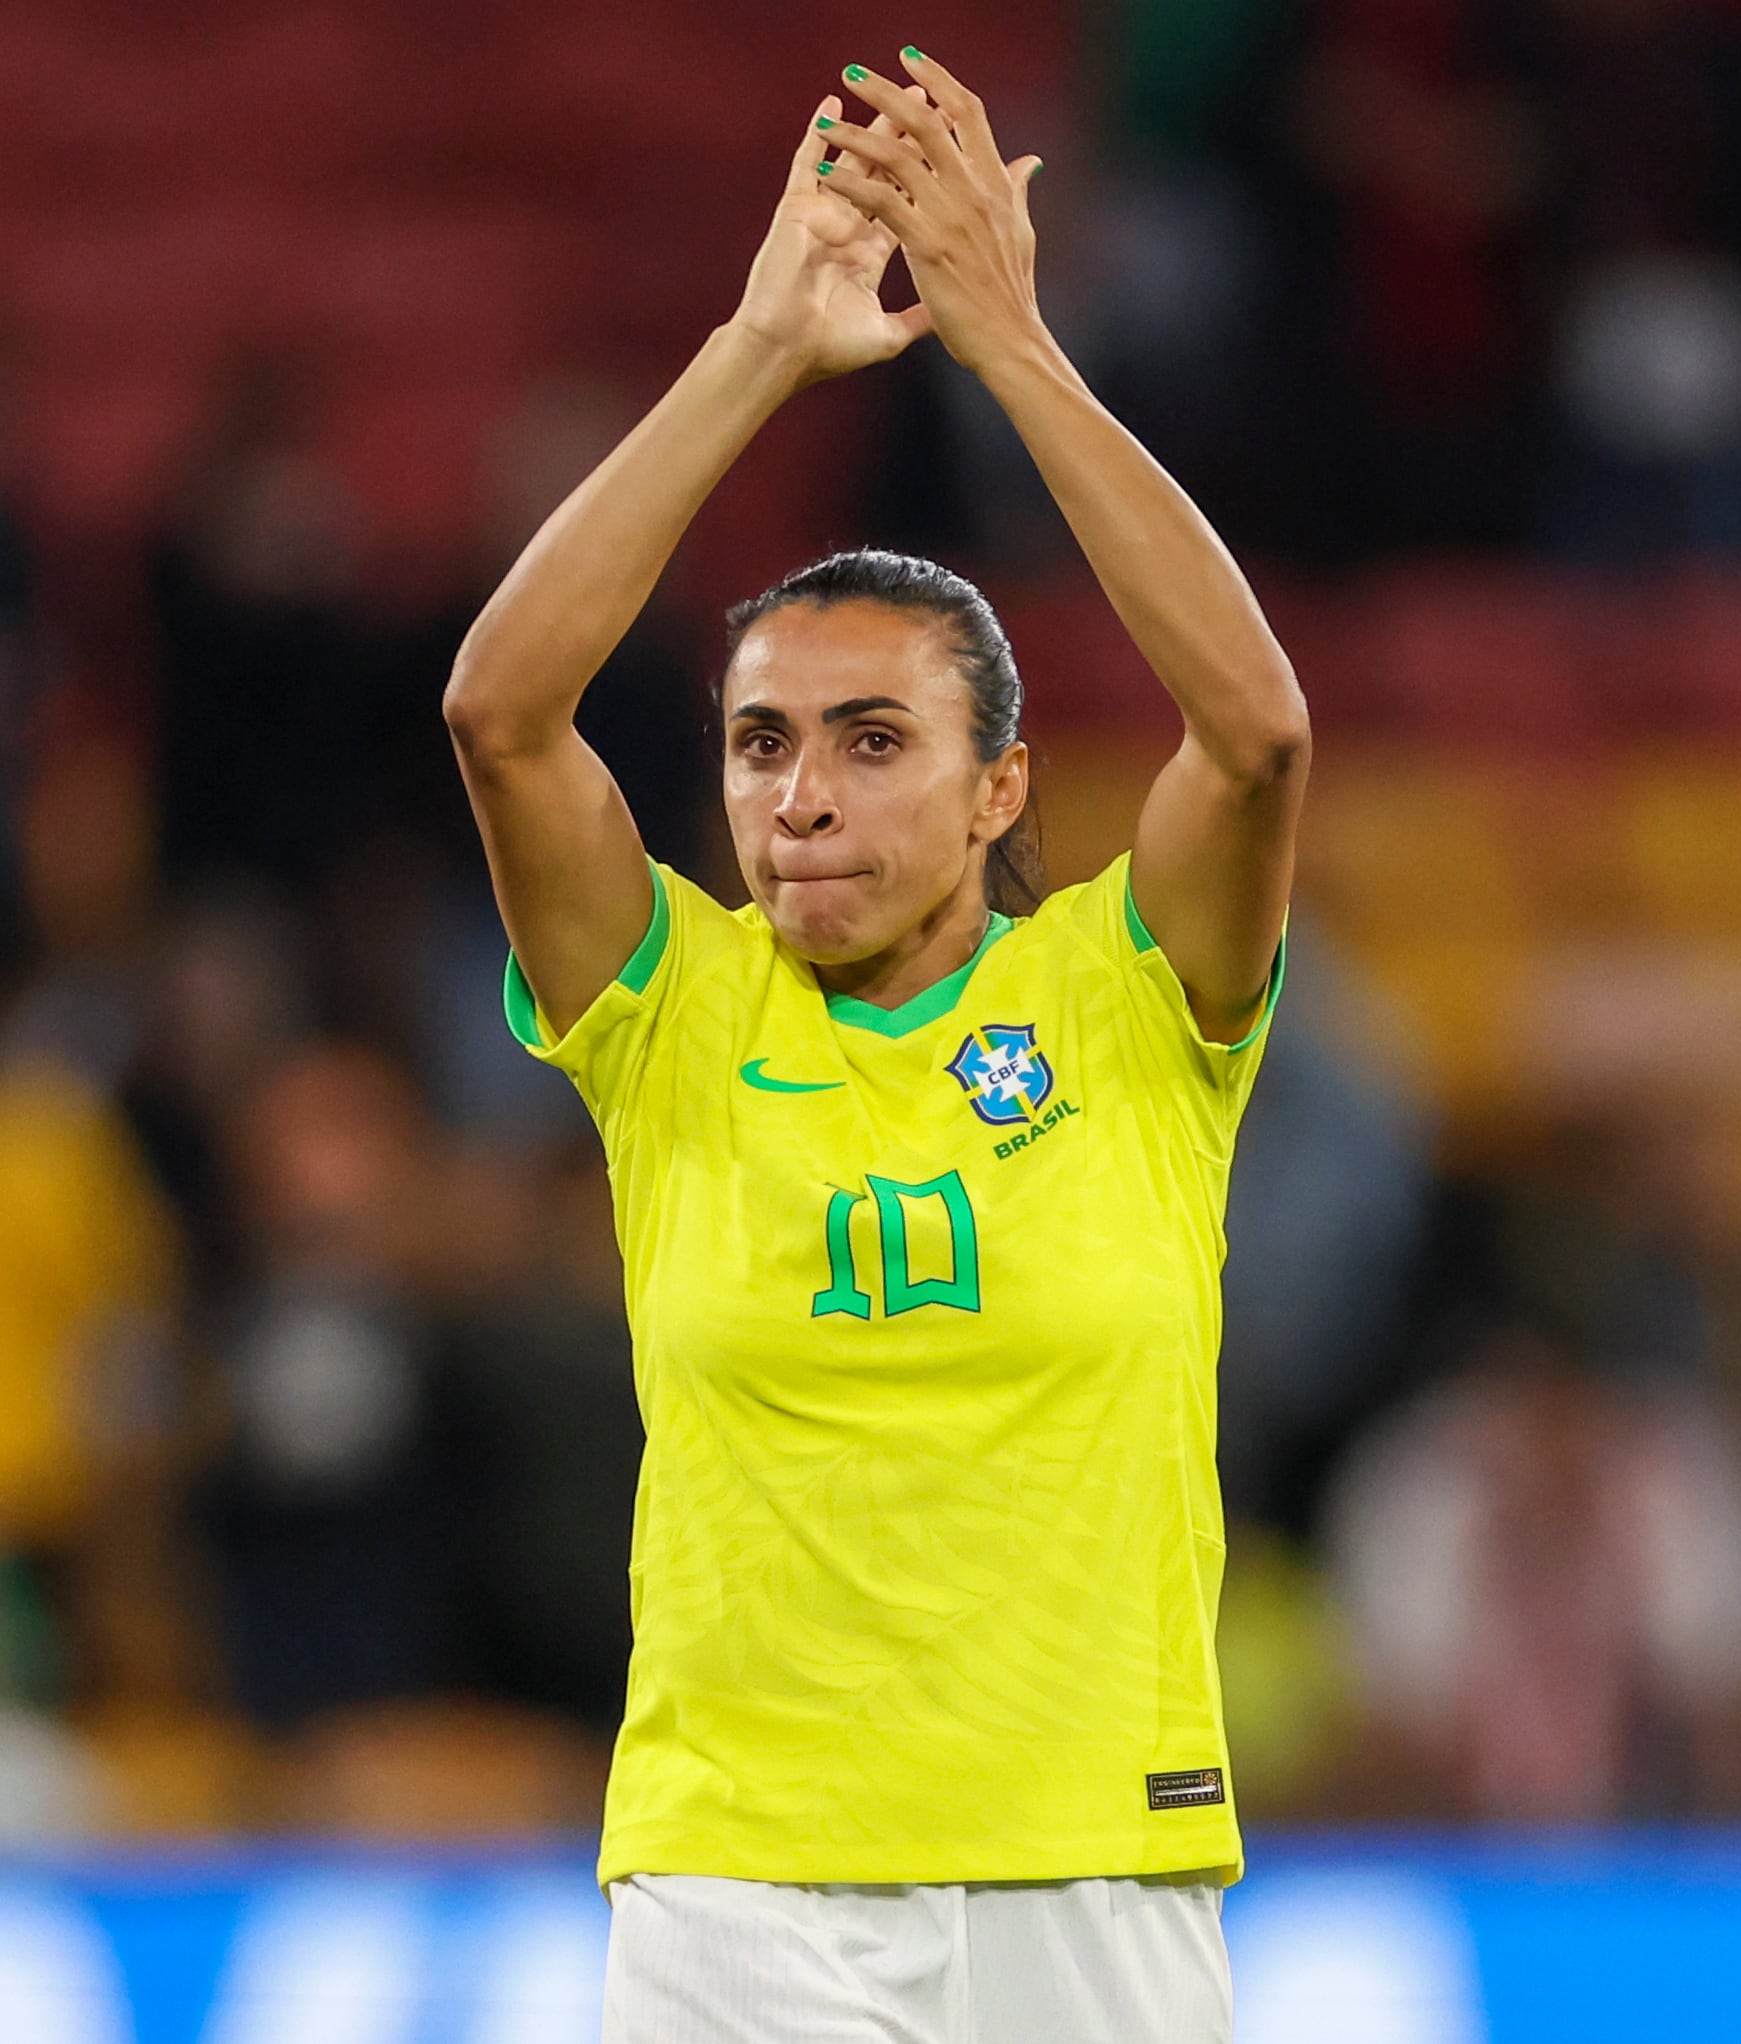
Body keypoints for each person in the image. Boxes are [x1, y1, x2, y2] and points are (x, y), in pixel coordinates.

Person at [442, 49, 1305, 2044]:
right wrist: (758, 349)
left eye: (871, 738)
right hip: (741, 1878)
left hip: (1095, 1852)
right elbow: (503, 712)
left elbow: (1255, 733)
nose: (799, 794)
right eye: (760, 741)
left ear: (1004, 789)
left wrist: (1008, 345)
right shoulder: (673, 1008)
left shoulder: (1129, 993)